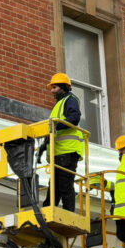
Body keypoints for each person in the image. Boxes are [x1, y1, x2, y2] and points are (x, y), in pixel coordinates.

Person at [40, 73, 84, 212]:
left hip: (67, 151)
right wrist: (43, 147)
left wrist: (56, 126)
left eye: (55, 87)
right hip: (59, 153)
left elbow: (74, 118)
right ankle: (48, 209)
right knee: (54, 185)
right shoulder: (58, 106)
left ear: (64, 87)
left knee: (64, 184)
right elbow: (52, 130)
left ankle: (68, 213)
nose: (52, 91)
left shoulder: (70, 100)